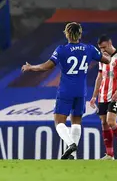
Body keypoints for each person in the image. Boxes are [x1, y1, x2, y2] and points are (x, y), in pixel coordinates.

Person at [21, 22, 110, 159]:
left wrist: (31, 67)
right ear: (80, 34)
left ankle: (70, 144)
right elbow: (106, 60)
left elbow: (47, 66)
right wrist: (105, 53)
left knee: (59, 121)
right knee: (76, 122)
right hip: (81, 91)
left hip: (66, 90)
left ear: (67, 34)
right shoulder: (89, 49)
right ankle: (72, 155)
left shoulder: (62, 50)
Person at [89, 35, 117, 160]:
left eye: (105, 47)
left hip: (115, 95)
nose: (103, 50)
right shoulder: (103, 58)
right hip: (102, 95)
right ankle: (109, 154)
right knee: (104, 123)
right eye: (101, 48)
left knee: (111, 121)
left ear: (110, 43)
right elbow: (99, 77)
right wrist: (94, 96)